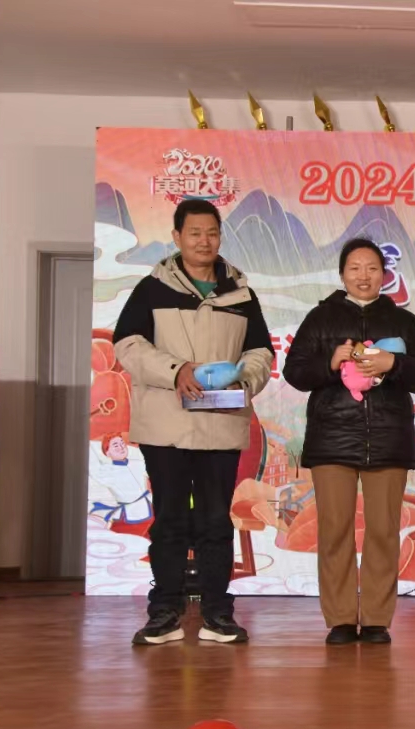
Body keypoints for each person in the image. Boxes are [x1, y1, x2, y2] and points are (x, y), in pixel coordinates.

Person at [113, 199, 273, 645]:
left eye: (212, 233)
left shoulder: (241, 294)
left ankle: (218, 614)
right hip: (166, 426)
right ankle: (164, 613)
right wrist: (176, 370)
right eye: (195, 233)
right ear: (177, 237)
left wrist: (245, 378)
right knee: (169, 520)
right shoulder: (152, 289)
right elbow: (127, 344)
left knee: (216, 521)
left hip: (220, 425)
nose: (204, 241)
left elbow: (260, 352)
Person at [283, 238, 415, 645]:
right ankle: (339, 618)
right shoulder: (320, 318)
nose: (363, 276)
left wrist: (393, 363)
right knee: (335, 531)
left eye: (371, 268)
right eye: (354, 268)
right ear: (342, 274)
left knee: (384, 531)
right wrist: (330, 362)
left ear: (384, 274)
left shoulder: (403, 321)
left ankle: (376, 620)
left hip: (388, 438)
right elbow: (295, 372)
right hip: (332, 438)